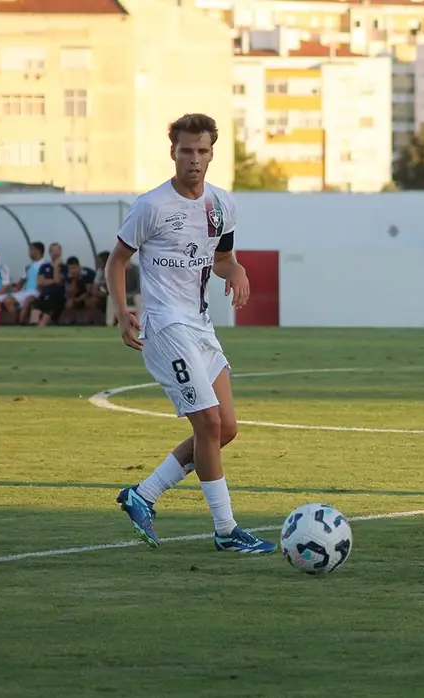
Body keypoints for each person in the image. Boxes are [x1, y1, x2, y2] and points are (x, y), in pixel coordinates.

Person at [109, 113, 273, 555]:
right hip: (165, 326)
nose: (194, 160)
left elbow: (222, 257)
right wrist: (123, 311)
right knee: (208, 422)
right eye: (186, 150)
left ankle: (143, 494)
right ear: (173, 152)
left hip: (201, 326)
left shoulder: (221, 204)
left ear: (212, 152)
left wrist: (236, 268)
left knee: (227, 429)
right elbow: (117, 261)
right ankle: (225, 529)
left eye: (202, 151)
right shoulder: (151, 206)